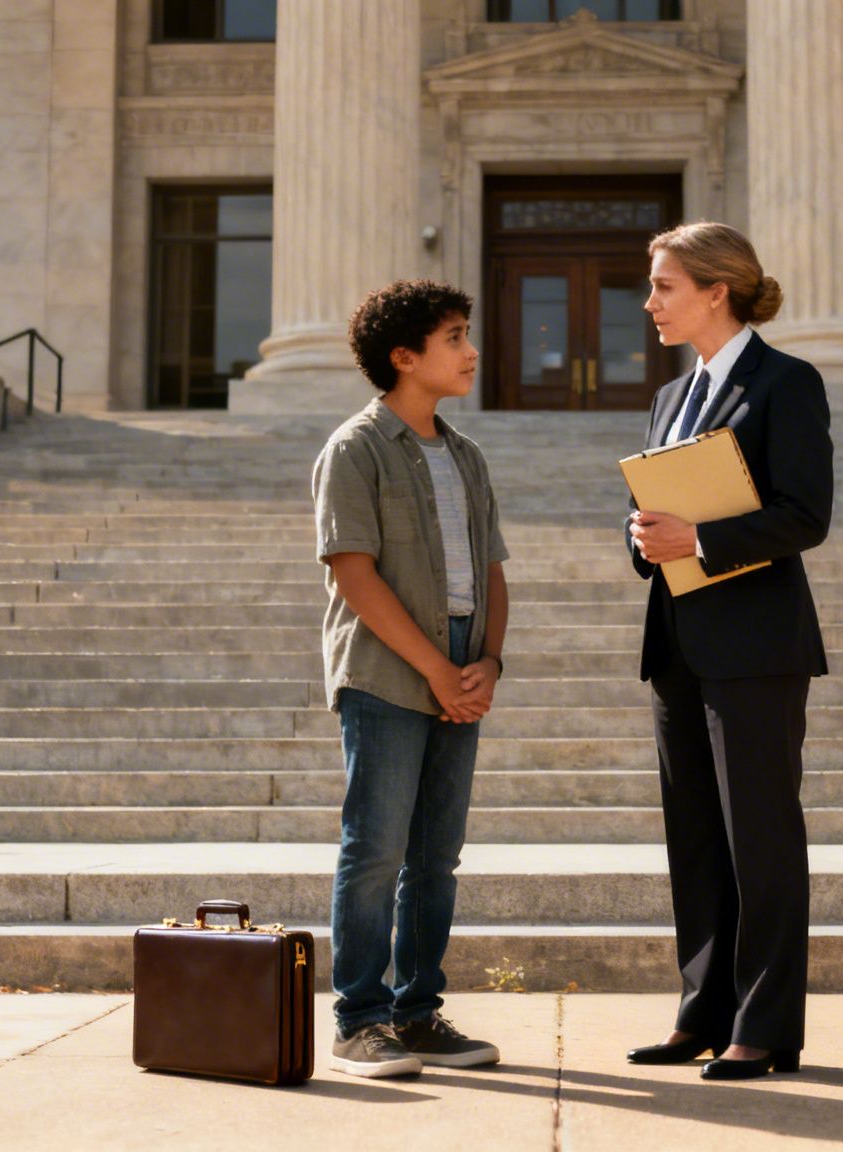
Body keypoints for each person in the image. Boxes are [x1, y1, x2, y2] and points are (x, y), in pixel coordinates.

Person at [623, 221, 832, 1081]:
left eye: (665, 286)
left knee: (761, 838)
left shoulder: (788, 382)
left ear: (717, 289)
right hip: (678, 642)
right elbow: (651, 516)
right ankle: (701, 1013)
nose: (650, 304)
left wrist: (700, 539)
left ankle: (765, 1025)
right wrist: (645, 536)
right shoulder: (672, 397)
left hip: (757, 645)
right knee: (697, 839)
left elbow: (803, 515)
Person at [312, 280, 510, 1079]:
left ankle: (419, 1014)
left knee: (437, 856)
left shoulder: (466, 454)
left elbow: (493, 572)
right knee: (377, 851)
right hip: (388, 669)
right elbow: (355, 576)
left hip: (461, 663)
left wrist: (487, 662)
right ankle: (360, 1018)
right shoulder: (354, 449)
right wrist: (438, 670)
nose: (470, 351)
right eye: (455, 337)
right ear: (405, 357)